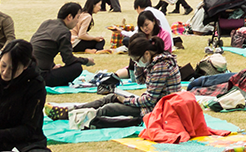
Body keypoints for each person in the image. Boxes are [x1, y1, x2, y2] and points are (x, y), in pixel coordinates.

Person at [48, 34, 179, 126]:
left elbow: (150, 99)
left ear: (146, 54)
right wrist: (138, 64)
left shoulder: (161, 65)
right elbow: (140, 81)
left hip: (158, 109)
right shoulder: (153, 62)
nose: (136, 63)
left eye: (137, 60)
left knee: (110, 108)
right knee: (110, 97)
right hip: (153, 103)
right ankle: (71, 110)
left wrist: (126, 100)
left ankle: (78, 117)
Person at [31, 2, 94, 87]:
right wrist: (86, 61)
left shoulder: (47, 23)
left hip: (29, 70)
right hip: (41, 76)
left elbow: (43, 47)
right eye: (77, 17)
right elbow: (68, 60)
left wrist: (52, 66)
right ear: (69, 17)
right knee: (77, 67)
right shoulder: (64, 32)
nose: (78, 21)